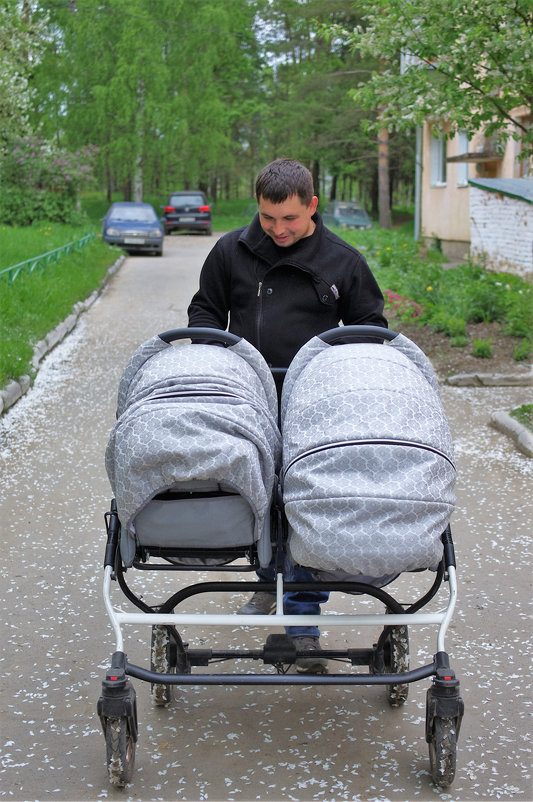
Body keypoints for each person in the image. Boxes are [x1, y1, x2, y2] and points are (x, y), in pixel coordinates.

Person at [187, 158, 387, 673]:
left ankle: (301, 628)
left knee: (304, 504)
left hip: (314, 405)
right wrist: (216, 355)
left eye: (290, 220)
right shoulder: (230, 251)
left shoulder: (342, 261)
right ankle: (265, 583)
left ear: (312, 206)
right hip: (247, 396)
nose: (277, 230)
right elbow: (205, 312)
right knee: (255, 492)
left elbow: (370, 329)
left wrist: (344, 376)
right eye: (268, 218)